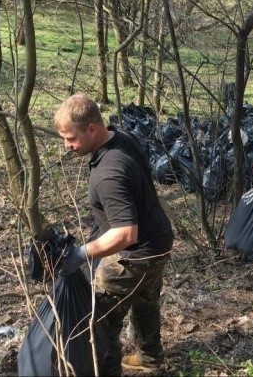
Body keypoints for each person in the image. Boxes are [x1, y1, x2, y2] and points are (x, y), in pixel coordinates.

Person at [54, 94, 174, 375]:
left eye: (71, 138)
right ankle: (149, 357)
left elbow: (125, 234)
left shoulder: (109, 173)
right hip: (158, 241)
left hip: (135, 252)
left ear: (92, 129)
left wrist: (81, 254)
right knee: (145, 299)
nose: (67, 146)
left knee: (100, 320)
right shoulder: (122, 136)